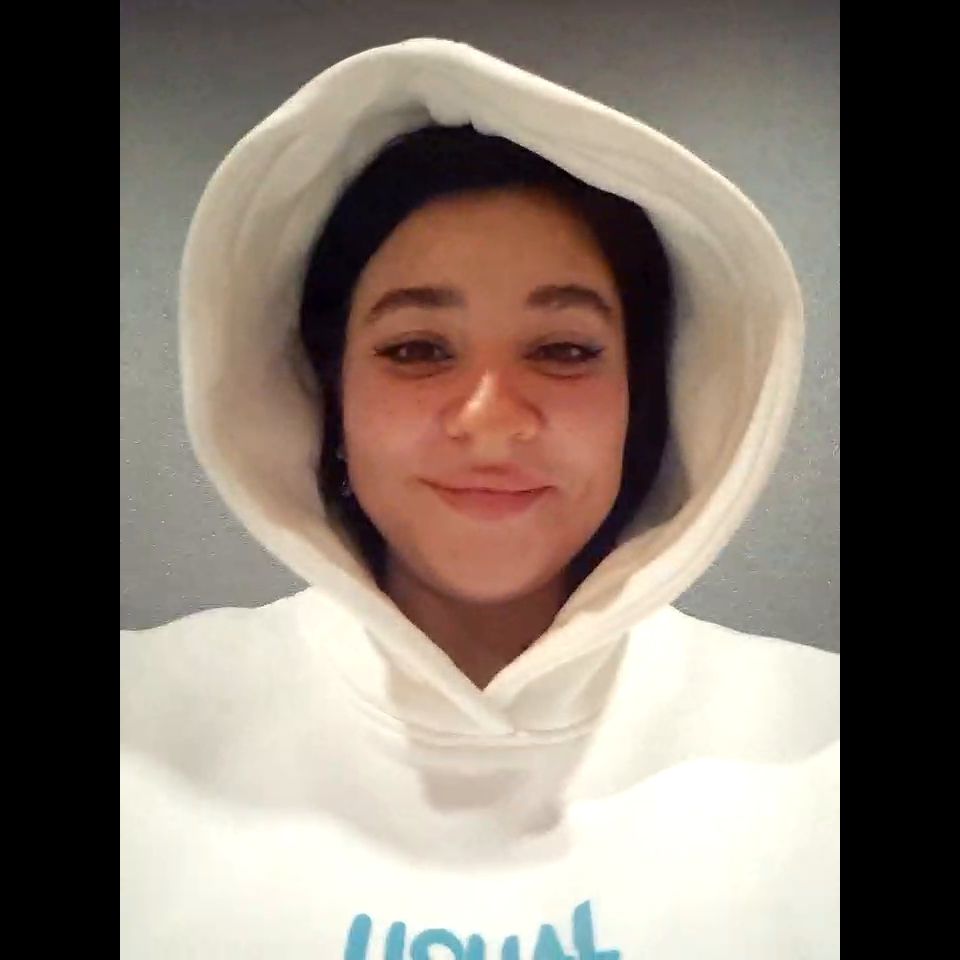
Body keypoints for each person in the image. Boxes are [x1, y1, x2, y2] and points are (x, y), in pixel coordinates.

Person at [121, 37, 839, 959]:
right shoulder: (145, 726)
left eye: (564, 350)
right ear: (326, 398)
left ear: (644, 400)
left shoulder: (812, 744)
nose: (492, 423)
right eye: (418, 349)